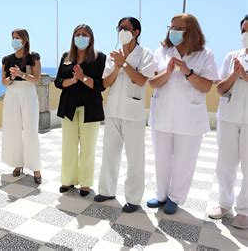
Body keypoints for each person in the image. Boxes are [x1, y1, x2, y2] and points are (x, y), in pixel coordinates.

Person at [147, 13, 218, 214]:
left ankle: (175, 197)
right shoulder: (162, 51)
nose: (173, 31)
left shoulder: (205, 54)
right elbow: (152, 83)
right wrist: (168, 73)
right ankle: (161, 195)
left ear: (192, 31)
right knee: (161, 158)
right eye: (171, 27)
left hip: (190, 117)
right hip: (162, 113)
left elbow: (206, 86)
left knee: (184, 160)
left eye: (179, 28)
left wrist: (187, 72)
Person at [94, 17, 156, 213]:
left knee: (135, 158)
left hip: (133, 113)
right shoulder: (113, 55)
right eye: (119, 27)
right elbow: (106, 83)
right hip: (113, 111)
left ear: (136, 32)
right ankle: (106, 190)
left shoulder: (145, 54)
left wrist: (126, 65)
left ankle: (133, 198)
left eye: (126, 28)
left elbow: (140, 80)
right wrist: (118, 66)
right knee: (109, 154)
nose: (122, 30)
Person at [54, 24, 106, 197]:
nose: (81, 37)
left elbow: (100, 85)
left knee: (87, 147)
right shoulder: (66, 57)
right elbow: (58, 81)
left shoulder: (99, 58)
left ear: (90, 38)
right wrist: (73, 80)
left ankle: (85, 183)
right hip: (68, 106)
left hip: (90, 108)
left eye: (84, 34)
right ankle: (67, 180)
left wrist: (82, 76)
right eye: (78, 34)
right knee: (68, 145)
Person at [208, 15, 248, 229]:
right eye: (243, 30)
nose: (246, 35)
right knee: (225, 164)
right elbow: (221, 88)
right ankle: (225, 204)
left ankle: (245, 210)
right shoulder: (233, 56)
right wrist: (236, 73)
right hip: (229, 117)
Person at [1, 28, 42, 184]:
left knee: (31, 131)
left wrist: (22, 74)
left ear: (25, 40)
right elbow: (4, 82)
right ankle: (18, 163)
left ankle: (36, 168)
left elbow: (36, 79)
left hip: (28, 94)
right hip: (12, 94)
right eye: (13, 37)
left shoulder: (33, 57)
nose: (14, 40)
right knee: (14, 129)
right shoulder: (7, 59)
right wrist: (12, 76)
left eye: (17, 37)